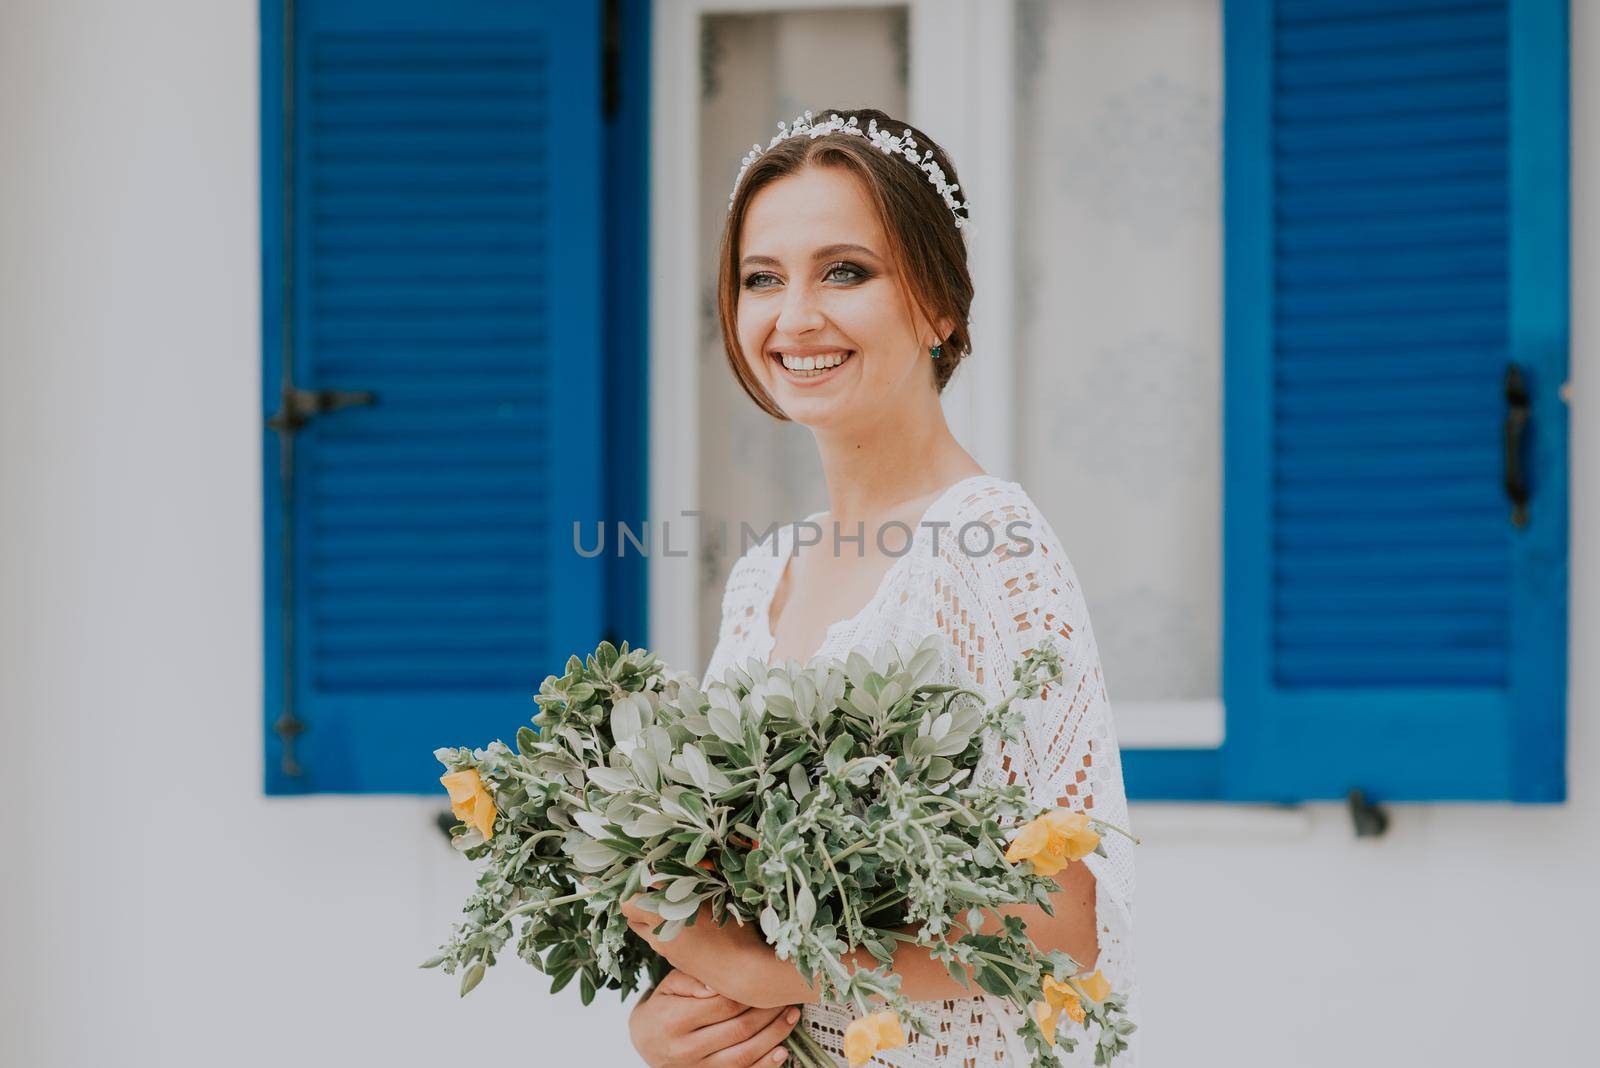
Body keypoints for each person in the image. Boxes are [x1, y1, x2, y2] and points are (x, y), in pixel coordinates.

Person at [626, 107, 1136, 1067]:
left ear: (940, 305)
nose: (795, 316)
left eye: (845, 271)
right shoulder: (759, 577)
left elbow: (1067, 919)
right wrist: (679, 1023)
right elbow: (733, 905)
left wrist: (770, 973)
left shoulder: (994, 551)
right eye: (761, 279)